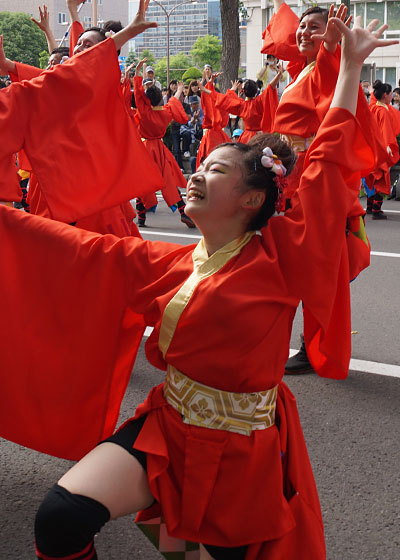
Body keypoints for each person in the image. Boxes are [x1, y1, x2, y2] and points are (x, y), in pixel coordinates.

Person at [0, 10, 395, 560]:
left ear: (254, 200)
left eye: (211, 171)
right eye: (199, 166)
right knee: (60, 520)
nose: (192, 176)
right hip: (168, 426)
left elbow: (326, 166)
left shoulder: (283, 257)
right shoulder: (170, 264)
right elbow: (81, 252)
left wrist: (349, 66)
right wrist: (7, 223)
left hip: (241, 453)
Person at [132, 59, 195, 229]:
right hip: (160, 149)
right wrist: (180, 90)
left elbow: (138, 95)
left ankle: (142, 218)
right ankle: (183, 212)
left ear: (146, 100)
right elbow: (173, 102)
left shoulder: (144, 112)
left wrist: (138, 73)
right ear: (160, 98)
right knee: (169, 181)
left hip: (145, 150)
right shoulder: (166, 113)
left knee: (143, 183)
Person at [364, 80, 399, 219]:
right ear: (385, 95)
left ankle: (370, 207)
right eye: (391, 94)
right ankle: (376, 210)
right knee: (381, 178)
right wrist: (387, 147)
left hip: (371, 148)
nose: (392, 96)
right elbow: (385, 132)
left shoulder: (372, 107)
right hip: (381, 149)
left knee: (373, 177)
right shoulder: (382, 111)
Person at [214, 75, 281, 143]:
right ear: (256, 91)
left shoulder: (242, 105)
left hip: (246, 137)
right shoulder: (259, 101)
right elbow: (270, 87)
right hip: (259, 136)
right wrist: (279, 74)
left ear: (244, 91)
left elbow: (226, 100)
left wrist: (232, 89)